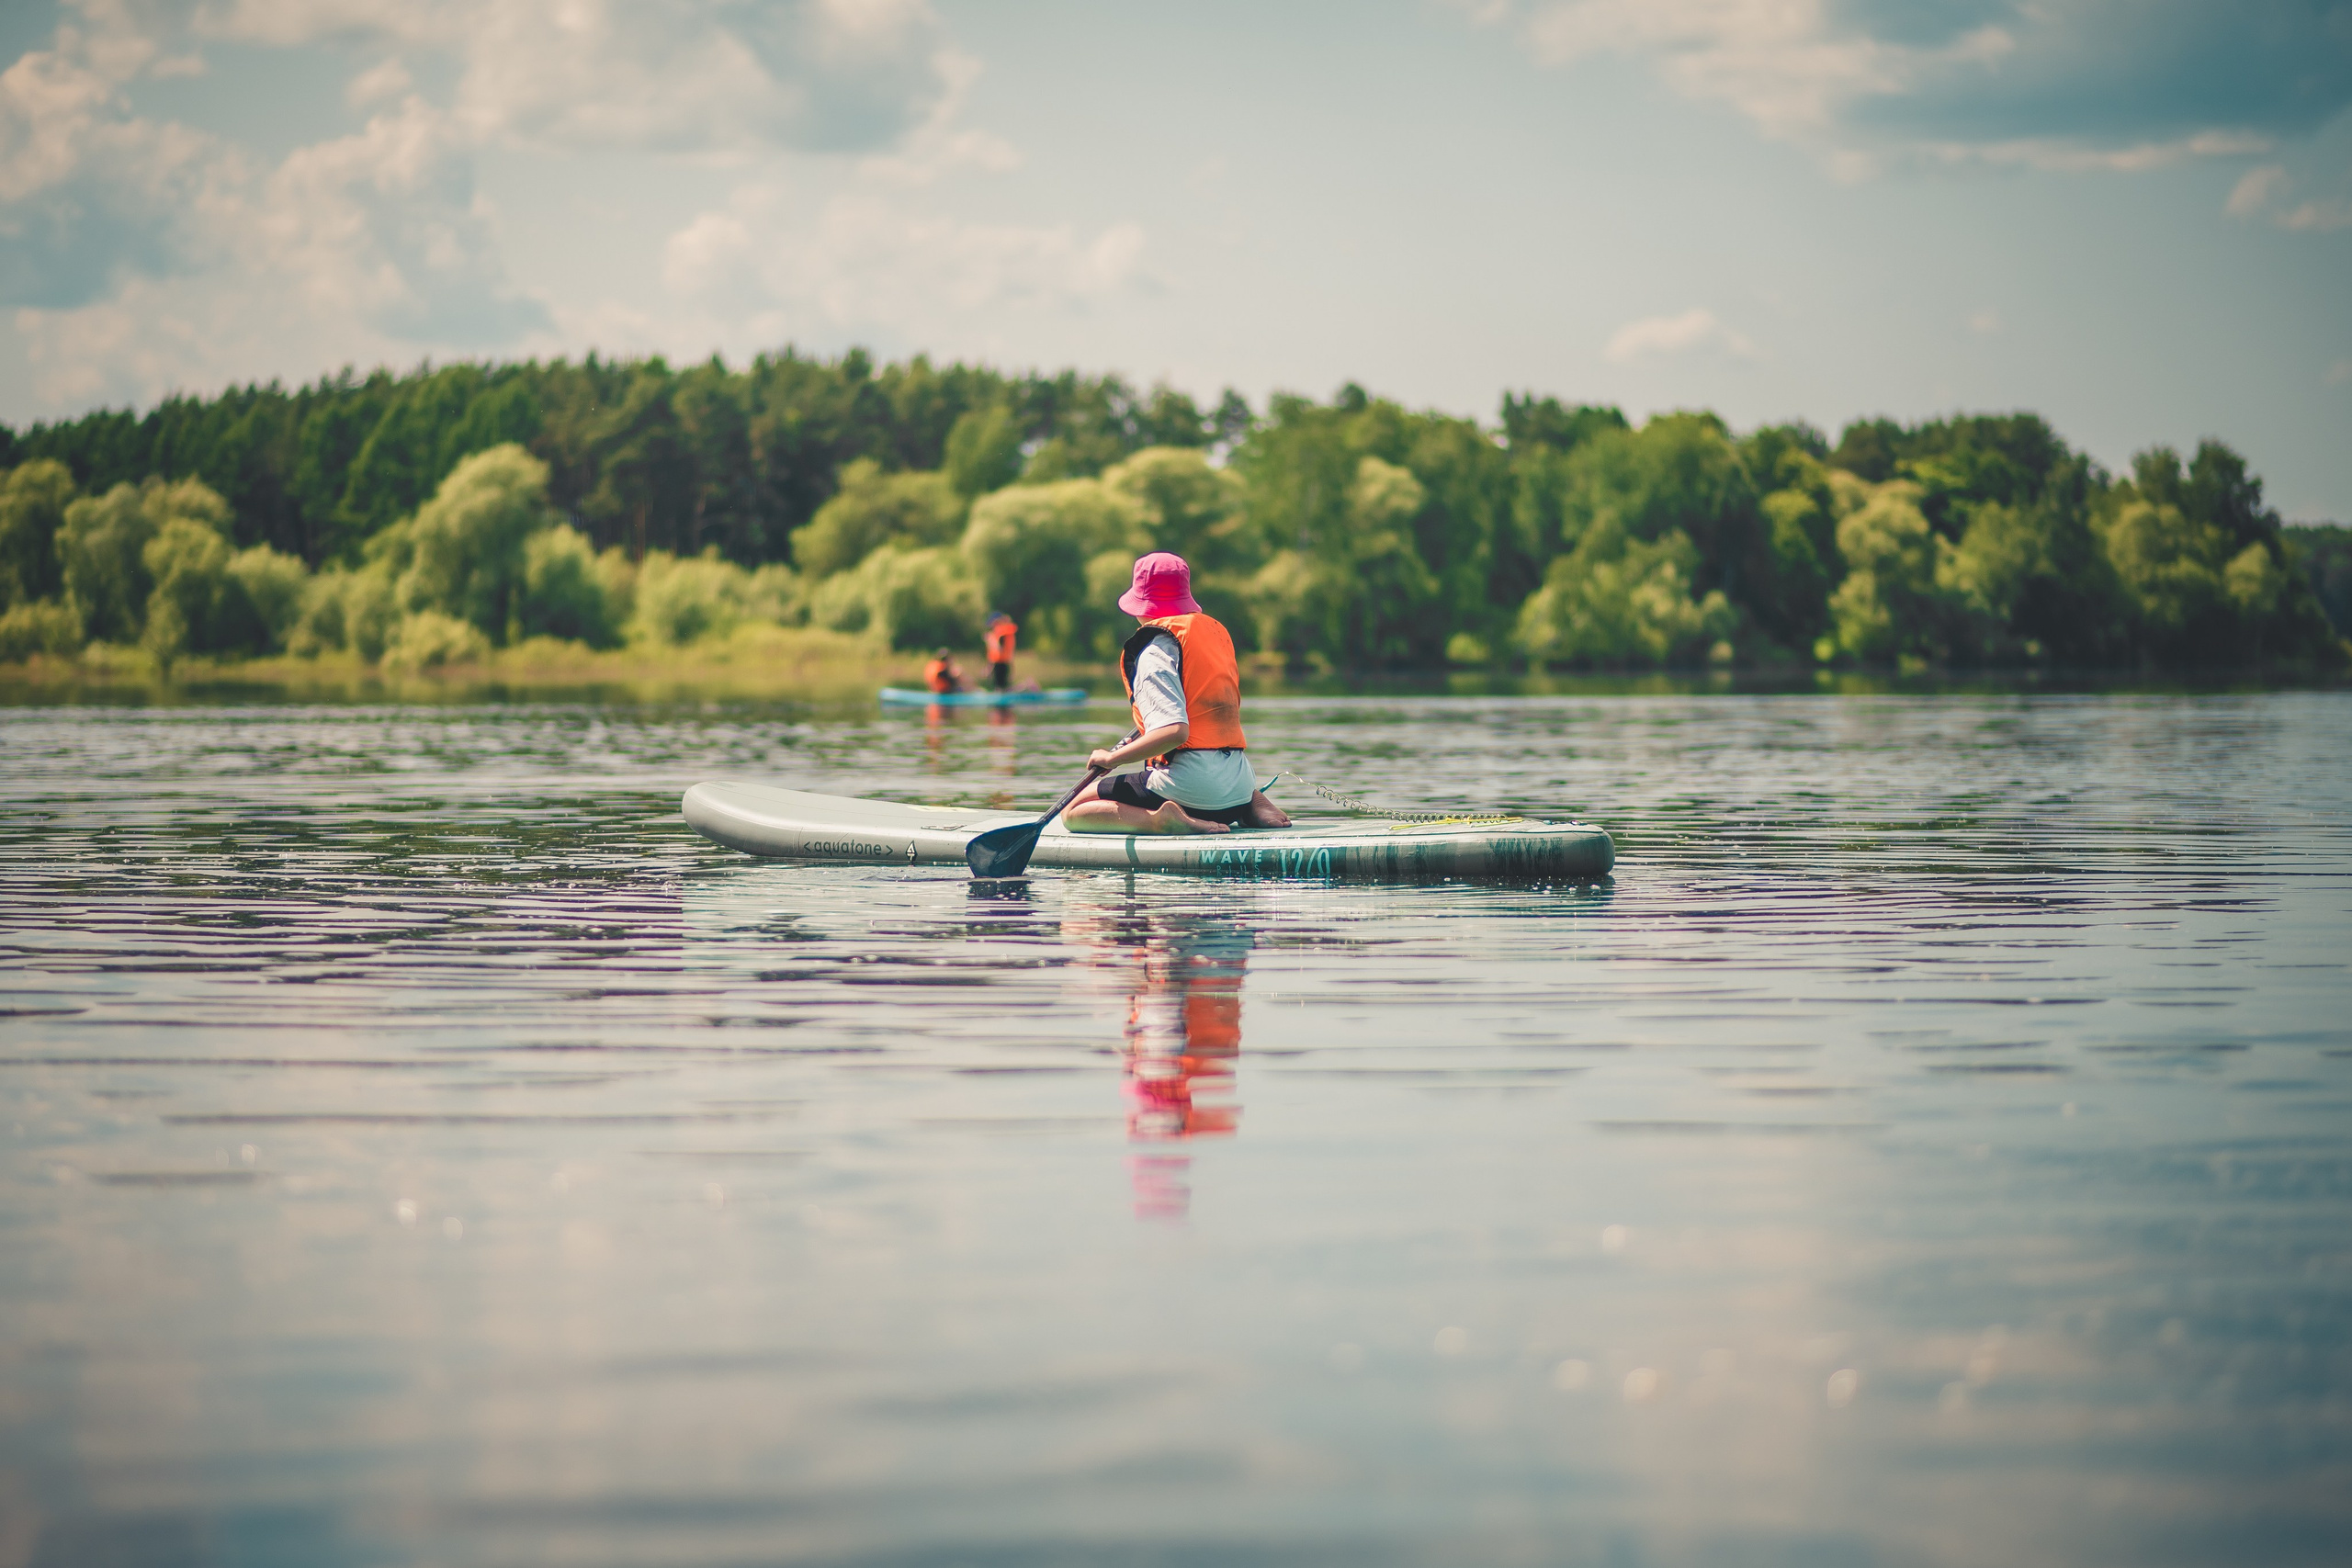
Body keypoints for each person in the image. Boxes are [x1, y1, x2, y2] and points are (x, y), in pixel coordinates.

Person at [1065, 552, 1292, 836]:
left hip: (1191, 795)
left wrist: (1112, 759)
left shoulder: (1155, 652)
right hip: (1239, 788)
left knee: (1074, 810)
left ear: (1141, 604)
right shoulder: (1213, 636)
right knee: (1210, 772)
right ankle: (1253, 804)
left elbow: (1175, 732)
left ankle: (1160, 820)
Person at [982, 612, 1017, 693]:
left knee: (1001, 689)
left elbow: (999, 649)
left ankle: (1027, 686)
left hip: (1001, 665)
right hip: (1001, 663)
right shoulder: (1001, 633)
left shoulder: (1002, 634)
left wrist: (990, 640)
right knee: (1003, 688)